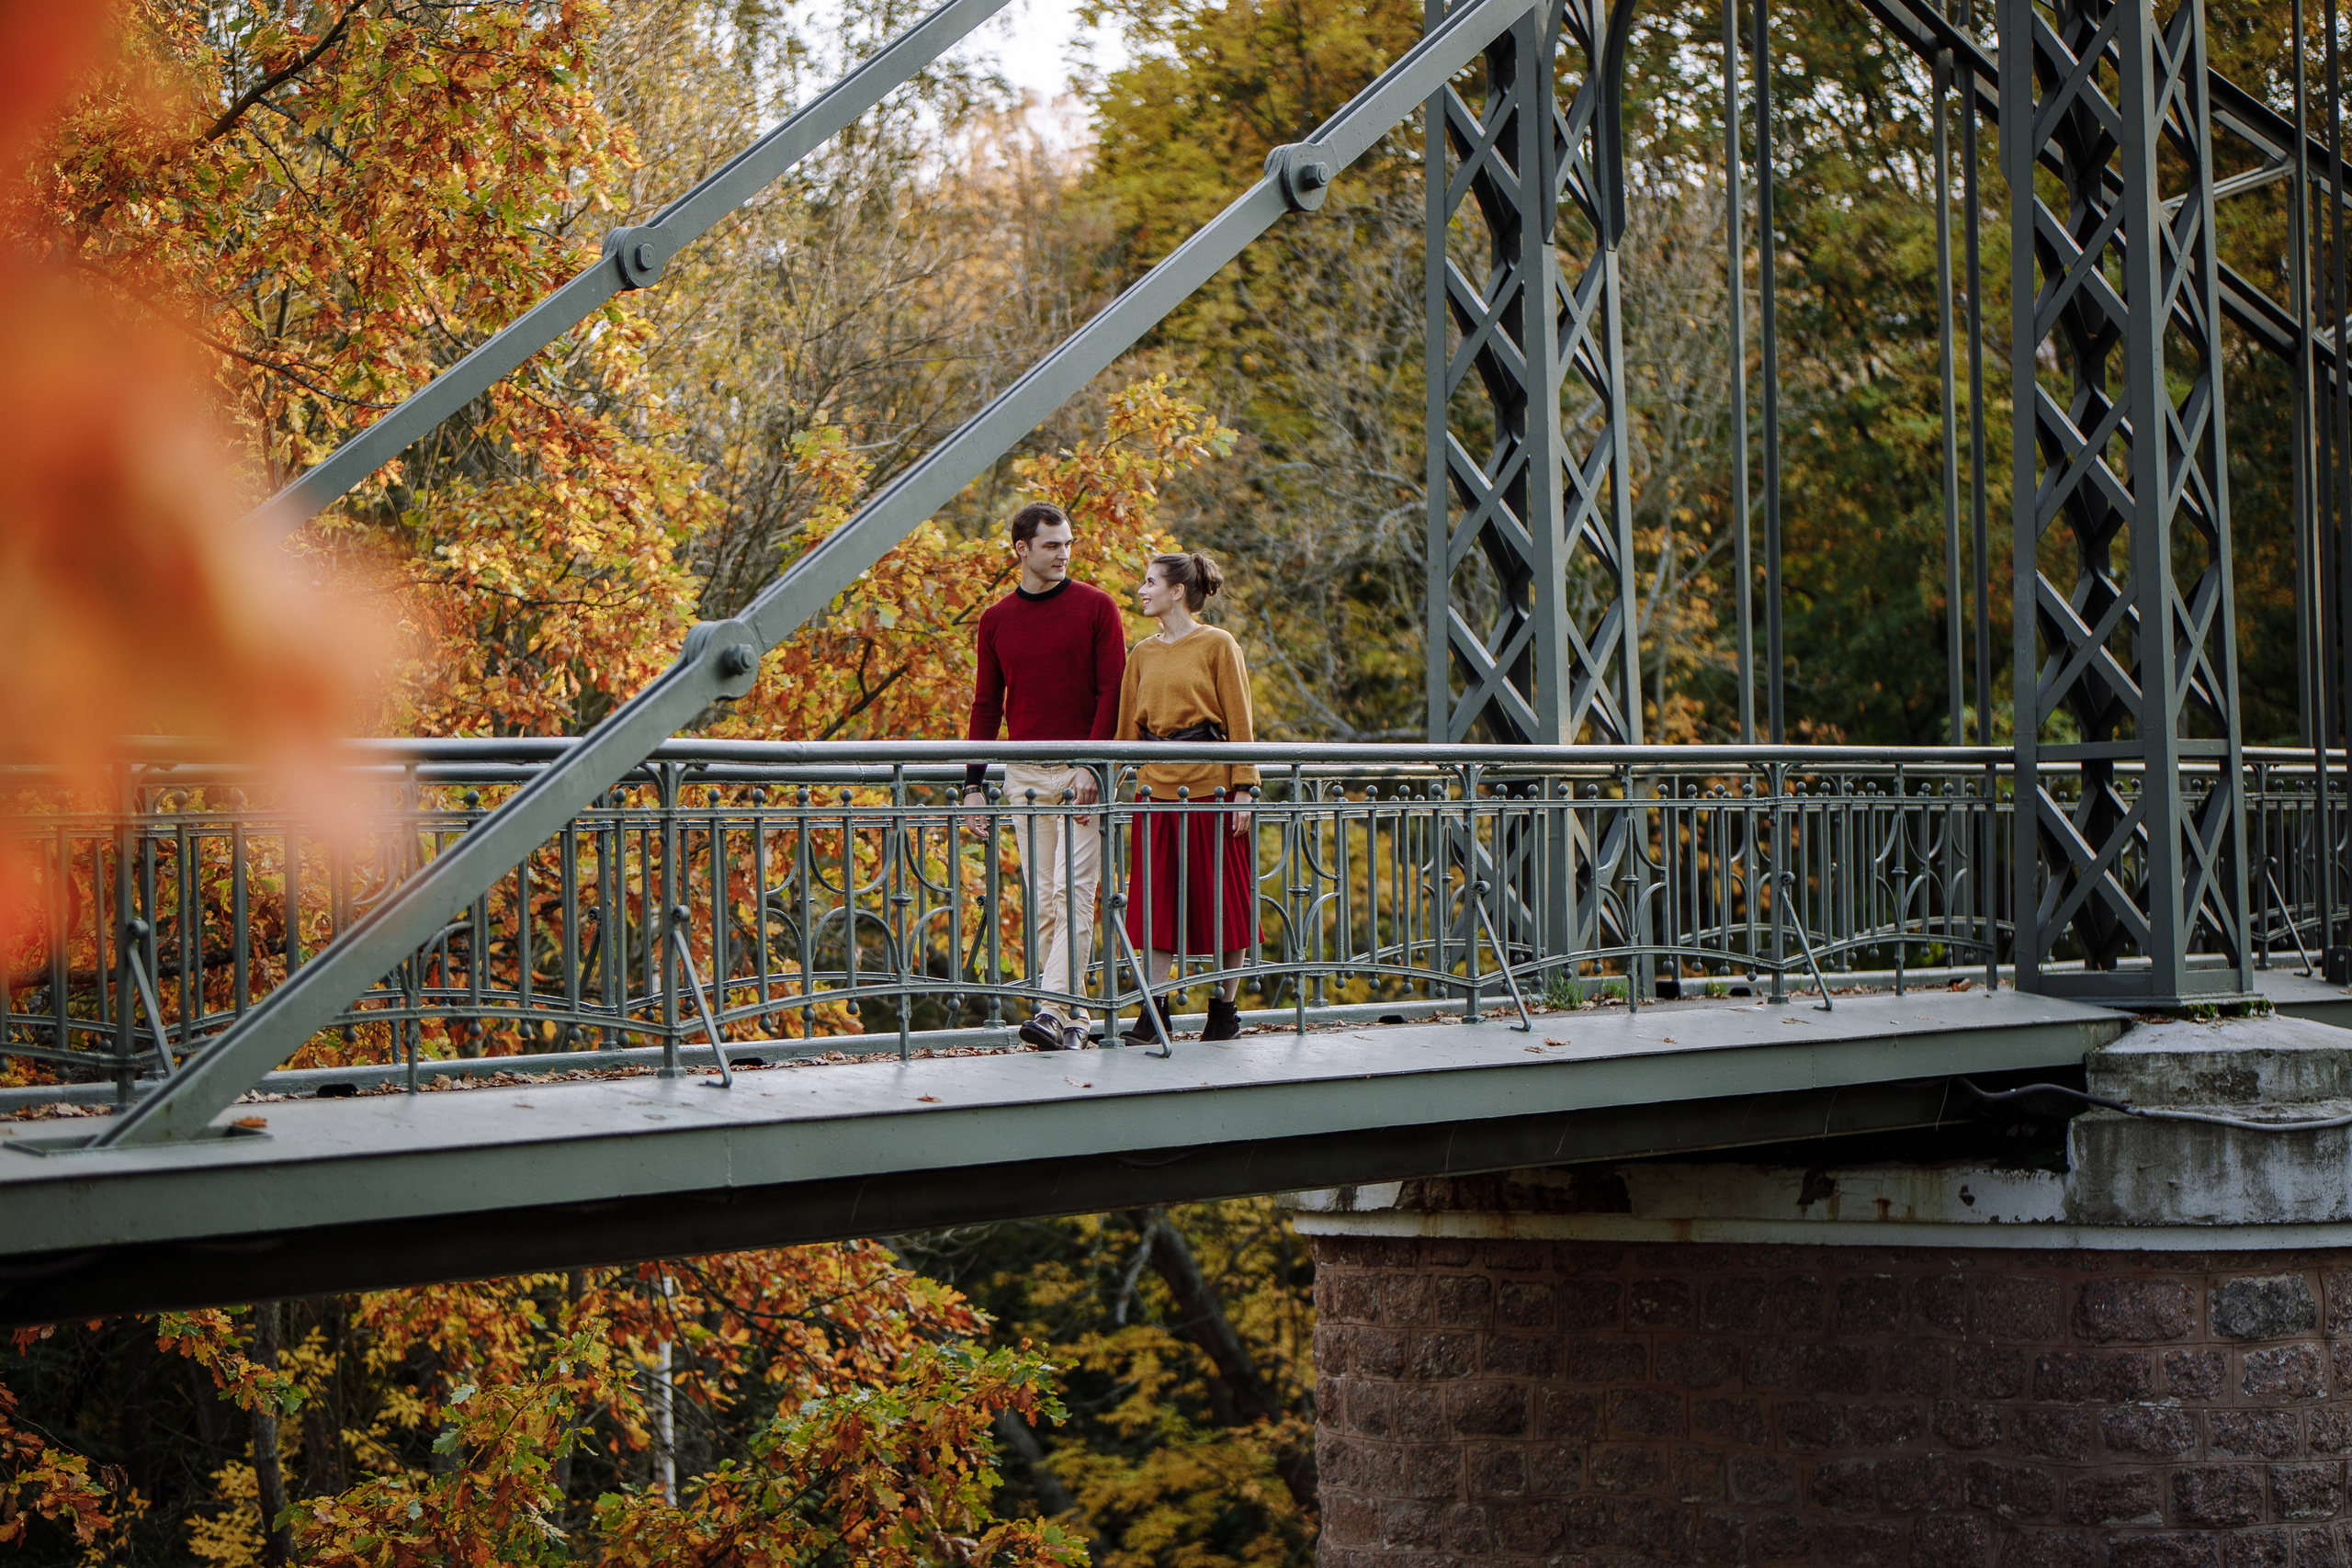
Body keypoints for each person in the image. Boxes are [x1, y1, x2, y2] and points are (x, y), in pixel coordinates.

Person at [963, 502, 1126, 1051]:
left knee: (1072, 897)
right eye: (1052, 545)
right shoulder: (996, 620)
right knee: (1040, 903)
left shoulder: (1097, 608)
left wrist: (1091, 764)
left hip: (1082, 778)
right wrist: (971, 786)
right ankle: (1074, 1020)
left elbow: (1114, 694)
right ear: (1022, 550)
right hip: (1024, 780)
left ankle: (1053, 1011)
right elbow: (987, 706)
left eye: (1068, 544)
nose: (1064, 554)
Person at [1114, 550, 1257, 1044]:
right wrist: (1105, 788)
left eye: (1150, 581)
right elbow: (1123, 734)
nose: (1141, 589)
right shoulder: (1141, 654)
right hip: (1154, 793)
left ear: (1177, 591)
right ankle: (1153, 1017)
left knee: (1224, 903)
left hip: (1211, 791)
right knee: (1153, 906)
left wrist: (1245, 788)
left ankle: (1224, 1012)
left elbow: (1240, 723)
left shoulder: (1219, 644)